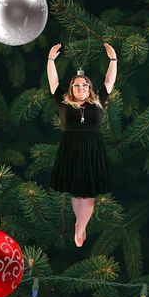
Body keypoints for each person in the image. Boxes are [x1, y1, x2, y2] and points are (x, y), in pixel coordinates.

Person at [47, 42, 117, 247]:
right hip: (71, 149)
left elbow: (109, 81)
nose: (81, 88)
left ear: (89, 88)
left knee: (89, 194)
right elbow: (53, 80)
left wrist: (113, 60)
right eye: (77, 85)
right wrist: (51, 60)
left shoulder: (97, 102)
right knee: (78, 192)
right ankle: (80, 225)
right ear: (71, 88)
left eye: (84, 85)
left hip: (92, 149)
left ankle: (80, 226)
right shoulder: (63, 101)